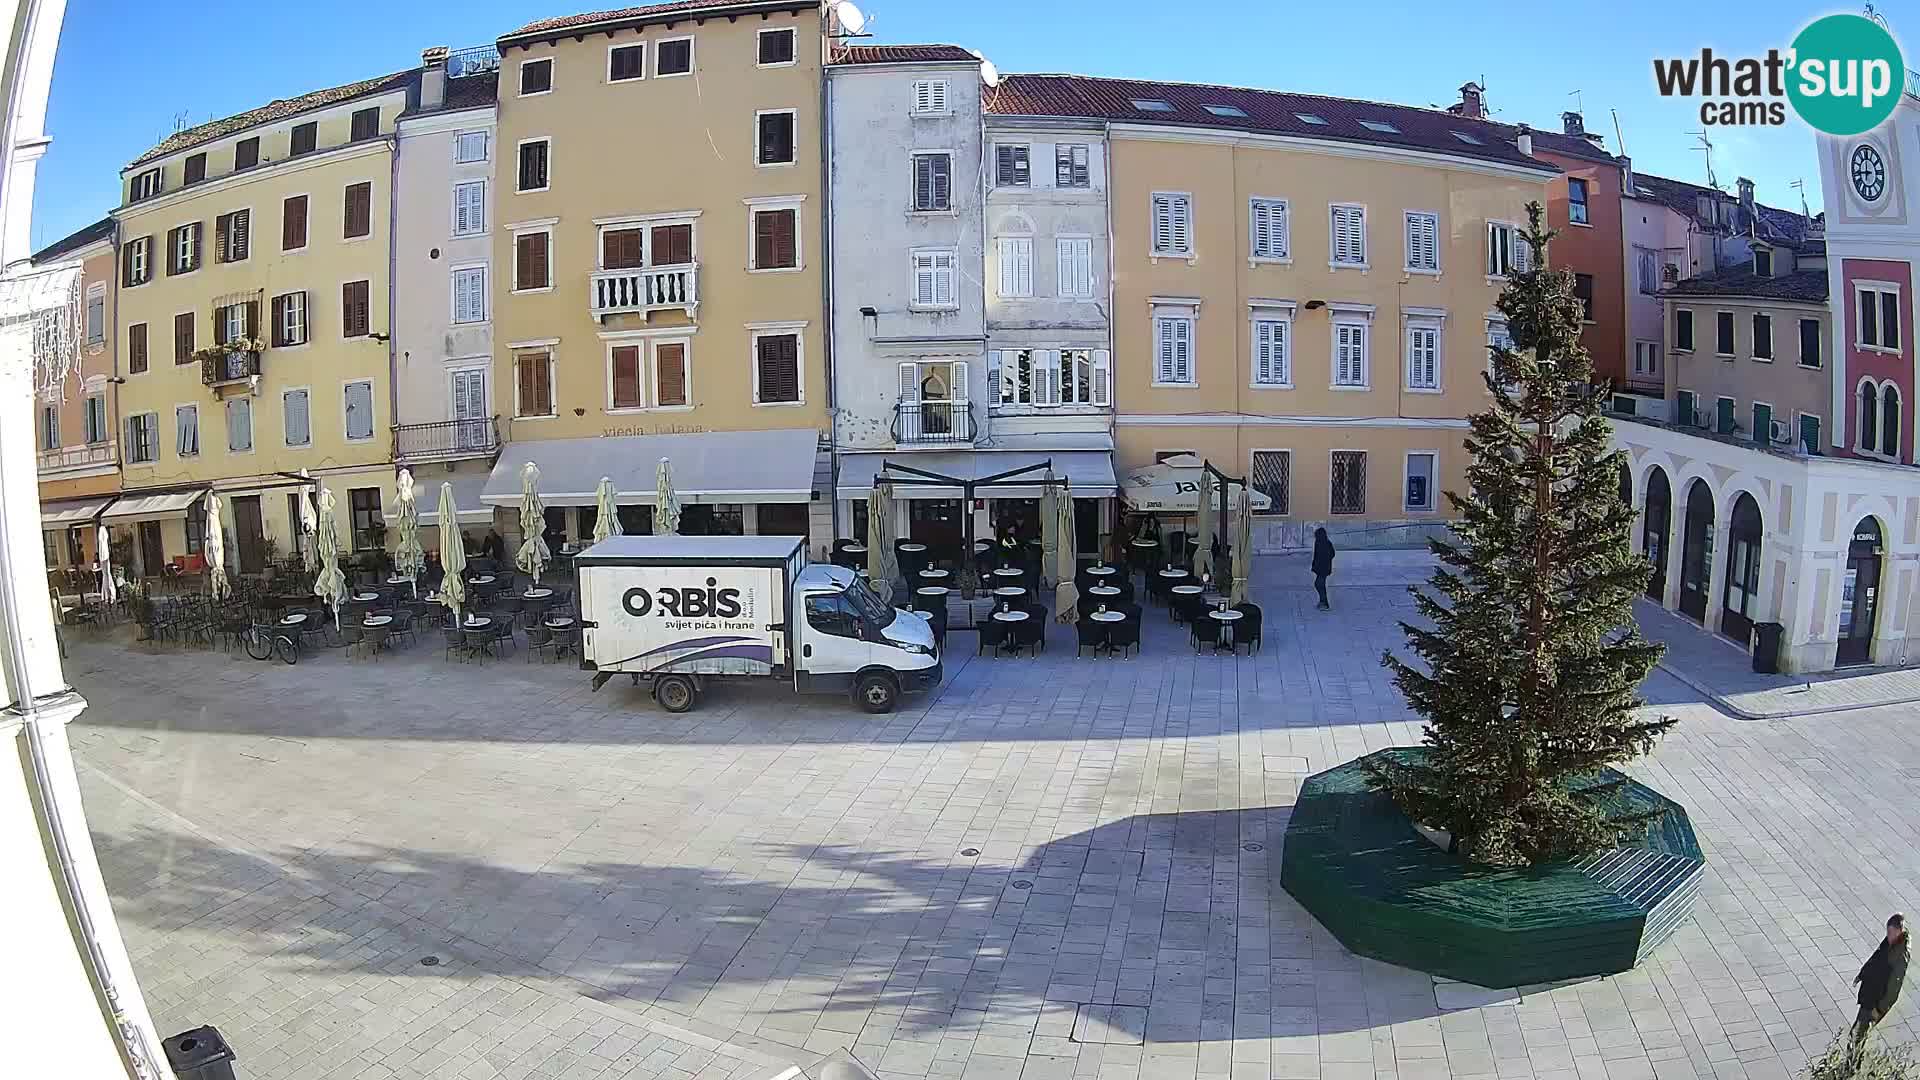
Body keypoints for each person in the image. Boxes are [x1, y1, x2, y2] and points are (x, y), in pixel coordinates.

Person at [1852, 913, 1909, 1050]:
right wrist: (1862, 974)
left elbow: (1894, 988)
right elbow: (1876, 957)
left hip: (1875, 1002)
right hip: (1869, 993)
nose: (1887, 935)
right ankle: (1853, 1062)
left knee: (1857, 1034)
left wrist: (1879, 1009)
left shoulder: (1900, 956)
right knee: (1858, 1034)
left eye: (1890, 932)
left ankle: (1852, 1065)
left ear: (1899, 931)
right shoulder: (1891, 941)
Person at [1311, 527, 1335, 610]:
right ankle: (1323, 602)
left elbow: (1331, 554)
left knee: (1319, 584)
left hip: (1323, 568)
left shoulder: (1326, 543)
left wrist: (1325, 560)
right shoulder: (1319, 542)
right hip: (1321, 568)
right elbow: (1316, 555)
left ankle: (1324, 603)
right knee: (1319, 584)